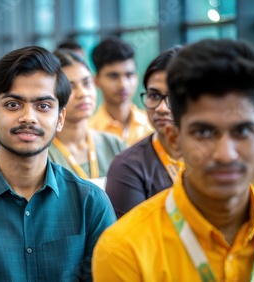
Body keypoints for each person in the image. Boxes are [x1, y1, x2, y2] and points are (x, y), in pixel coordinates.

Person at [92, 39, 254, 281]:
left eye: (241, 131)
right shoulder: (125, 249)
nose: (225, 154)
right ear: (175, 139)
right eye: (203, 132)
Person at [0, 46, 116, 281]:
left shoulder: (91, 202)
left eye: (43, 106)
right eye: (13, 104)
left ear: (60, 119)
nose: (28, 117)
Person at [105, 47, 181, 218]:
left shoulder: (217, 153)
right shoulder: (129, 166)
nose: (162, 108)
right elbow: (132, 241)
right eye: (154, 96)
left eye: (173, 97)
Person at [49, 49, 125, 186]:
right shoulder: (43, 155)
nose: (83, 93)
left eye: (87, 83)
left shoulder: (114, 144)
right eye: (70, 87)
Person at [89, 38, 153, 146]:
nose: (123, 84)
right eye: (113, 76)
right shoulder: (89, 131)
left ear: (137, 77)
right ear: (96, 80)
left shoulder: (151, 126)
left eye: (129, 75)